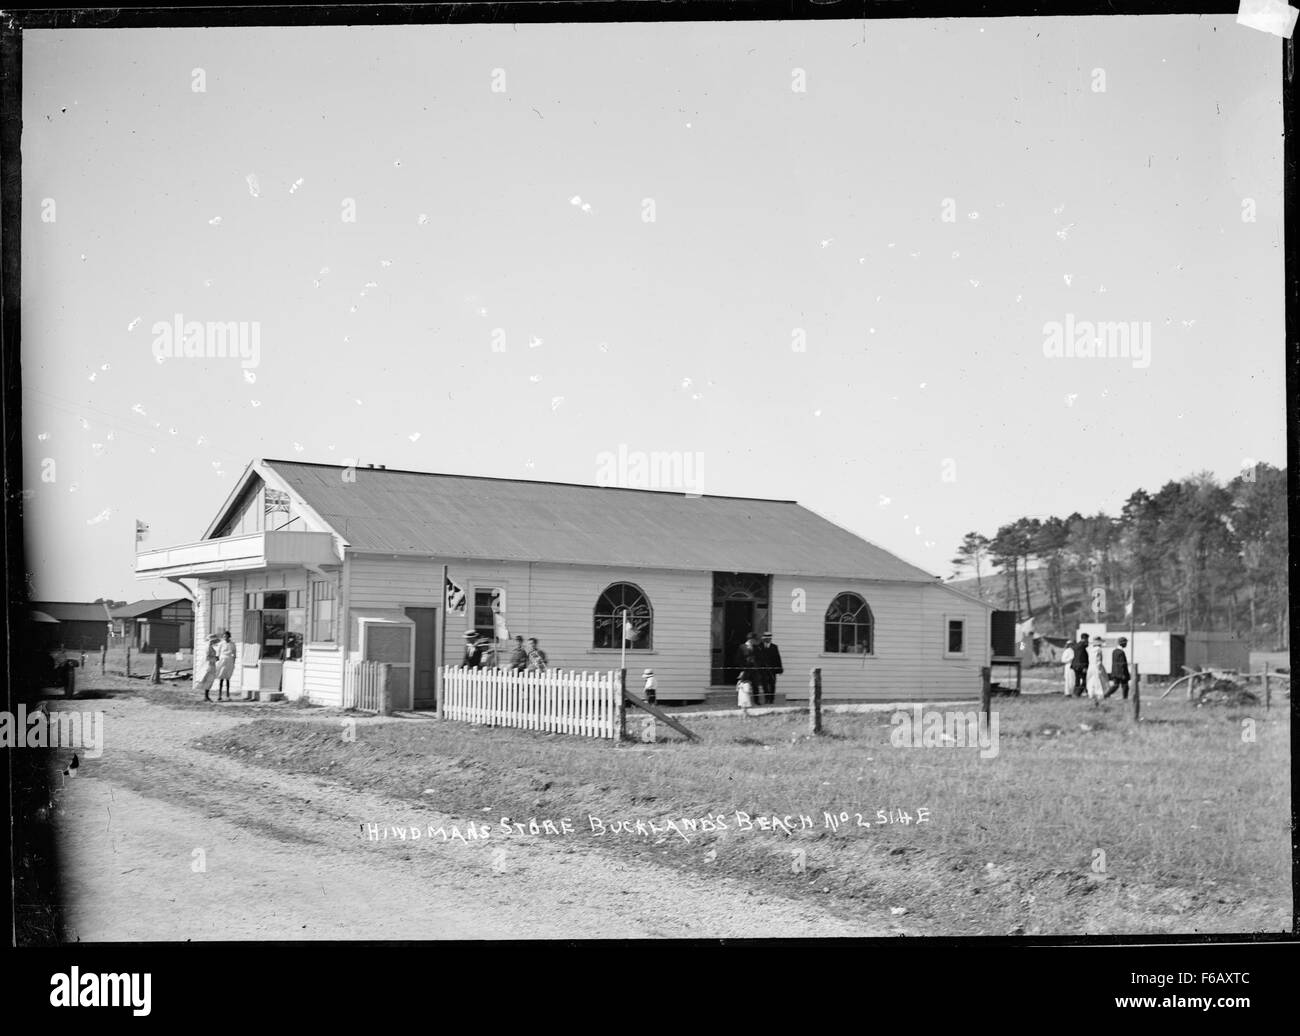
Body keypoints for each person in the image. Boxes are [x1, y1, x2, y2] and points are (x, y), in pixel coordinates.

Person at [757, 632, 784, 705]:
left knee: (772, 684)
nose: (768, 639)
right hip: (763, 669)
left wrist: (780, 668)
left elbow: (778, 658)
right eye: (766, 638)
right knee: (764, 684)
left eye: (769, 638)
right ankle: (766, 698)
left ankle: (771, 700)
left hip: (772, 669)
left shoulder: (774, 647)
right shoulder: (759, 647)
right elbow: (757, 659)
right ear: (764, 639)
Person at [1086, 636, 1109, 704]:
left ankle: (1091, 693)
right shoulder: (1099, 649)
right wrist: (1099, 668)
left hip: (1090, 666)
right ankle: (1100, 694)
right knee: (1099, 680)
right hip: (1097, 666)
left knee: (1091, 681)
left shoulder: (1090, 649)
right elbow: (1098, 659)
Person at [197, 635, 219, 702]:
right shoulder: (208, 647)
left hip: (212, 665)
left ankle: (206, 696)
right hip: (209, 665)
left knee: (210, 681)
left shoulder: (210, 647)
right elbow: (207, 658)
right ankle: (206, 696)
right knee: (208, 680)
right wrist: (215, 658)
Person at [215, 630, 236, 701]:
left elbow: (234, 653)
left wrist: (233, 662)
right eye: (224, 636)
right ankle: (219, 695)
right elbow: (218, 653)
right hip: (222, 660)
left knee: (227, 678)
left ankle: (227, 695)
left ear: (229, 636)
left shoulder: (232, 644)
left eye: (226, 636)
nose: (225, 638)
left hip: (229, 660)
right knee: (221, 677)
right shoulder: (221, 644)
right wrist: (217, 662)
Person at [1071, 633, 1091, 697]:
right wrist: (1085, 666)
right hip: (1081, 666)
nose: (1088, 641)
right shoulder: (1082, 646)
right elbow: (1082, 657)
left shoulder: (1076, 645)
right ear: (1085, 639)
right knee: (1085, 680)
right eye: (1087, 639)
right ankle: (1078, 693)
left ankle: (1075, 693)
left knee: (1077, 680)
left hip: (1075, 665)